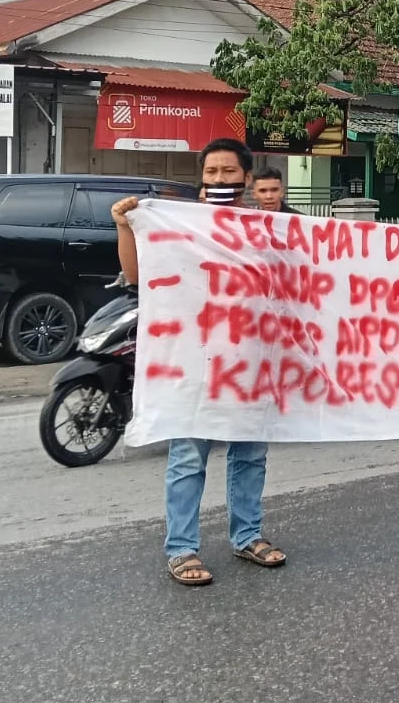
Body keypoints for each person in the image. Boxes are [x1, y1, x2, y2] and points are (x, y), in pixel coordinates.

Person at [113, 137, 286, 587]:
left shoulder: (267, 230)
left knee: (250, 454)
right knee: (188, 456)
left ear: (247, 178)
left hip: (249, 362)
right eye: (211, 172)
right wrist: (125, 227)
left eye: (229, 172)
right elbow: (136, 275)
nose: (219, 179)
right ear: (201, 179)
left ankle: (247, 535)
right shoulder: (178, 226)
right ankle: (182, 548)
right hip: (193, 362)